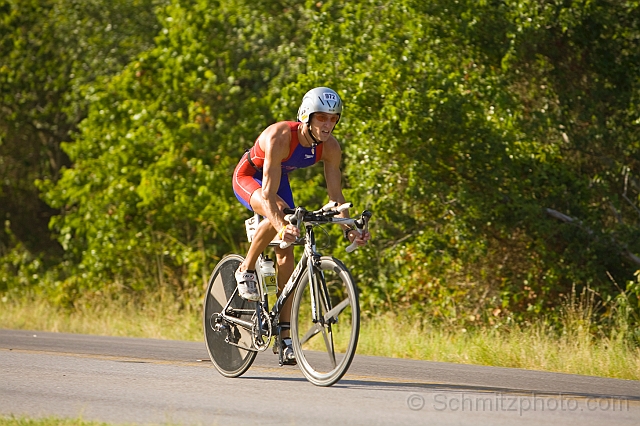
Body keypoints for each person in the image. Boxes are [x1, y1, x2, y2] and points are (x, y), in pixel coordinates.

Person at [232, 87, 370, 364]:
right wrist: (281, 224)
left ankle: (284, 338)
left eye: (333, 119)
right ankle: (245, 269)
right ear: (306, 118)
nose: (328, 125)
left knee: (288, 251)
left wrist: (349, 227)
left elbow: (335, 198)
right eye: (321, 118)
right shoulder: (280, 136)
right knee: (281, 214)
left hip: (278, 179)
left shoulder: (330, 147)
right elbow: (270, 197)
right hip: (251, 177)